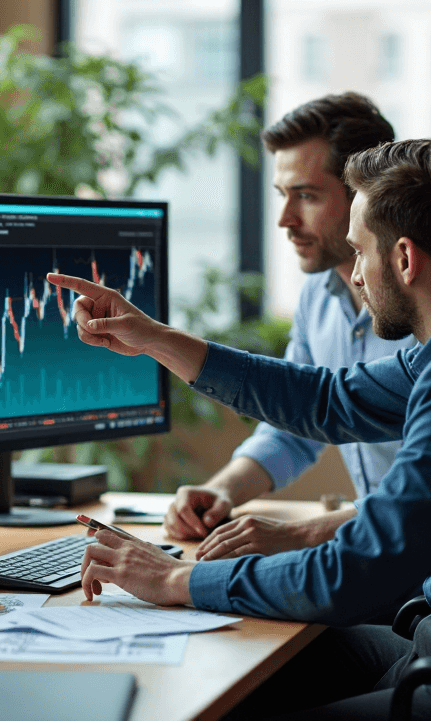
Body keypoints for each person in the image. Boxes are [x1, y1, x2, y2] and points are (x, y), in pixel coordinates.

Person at [49, 139, 431, 719]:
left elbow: (352, 575)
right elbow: (326, 399)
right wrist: (155, 339)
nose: (353, 275)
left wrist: (179, 578)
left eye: (359, 252)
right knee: (248, 665)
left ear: (404, 259)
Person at [165, 93, 417, 566]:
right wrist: (223, 490)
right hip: (378, 556)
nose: (285, 220)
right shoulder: (317, 296)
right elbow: (295, 427)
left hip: (428, 564)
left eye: (307, 196)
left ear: (367, 196)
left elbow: (426, 500)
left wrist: (299, 535)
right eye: (283, 195)